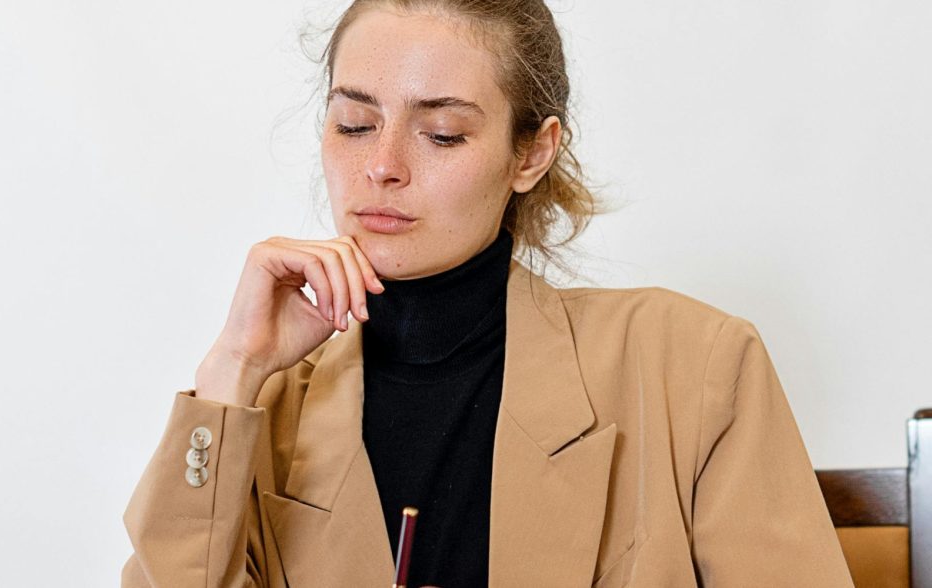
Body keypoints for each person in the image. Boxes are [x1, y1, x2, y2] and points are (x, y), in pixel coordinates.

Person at [121, 1, 854, 586]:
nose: (382, 165)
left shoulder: (693, 365)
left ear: (531, 153)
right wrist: (232, 370)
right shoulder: (261, 403)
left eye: (441, 134)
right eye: (355, 123)